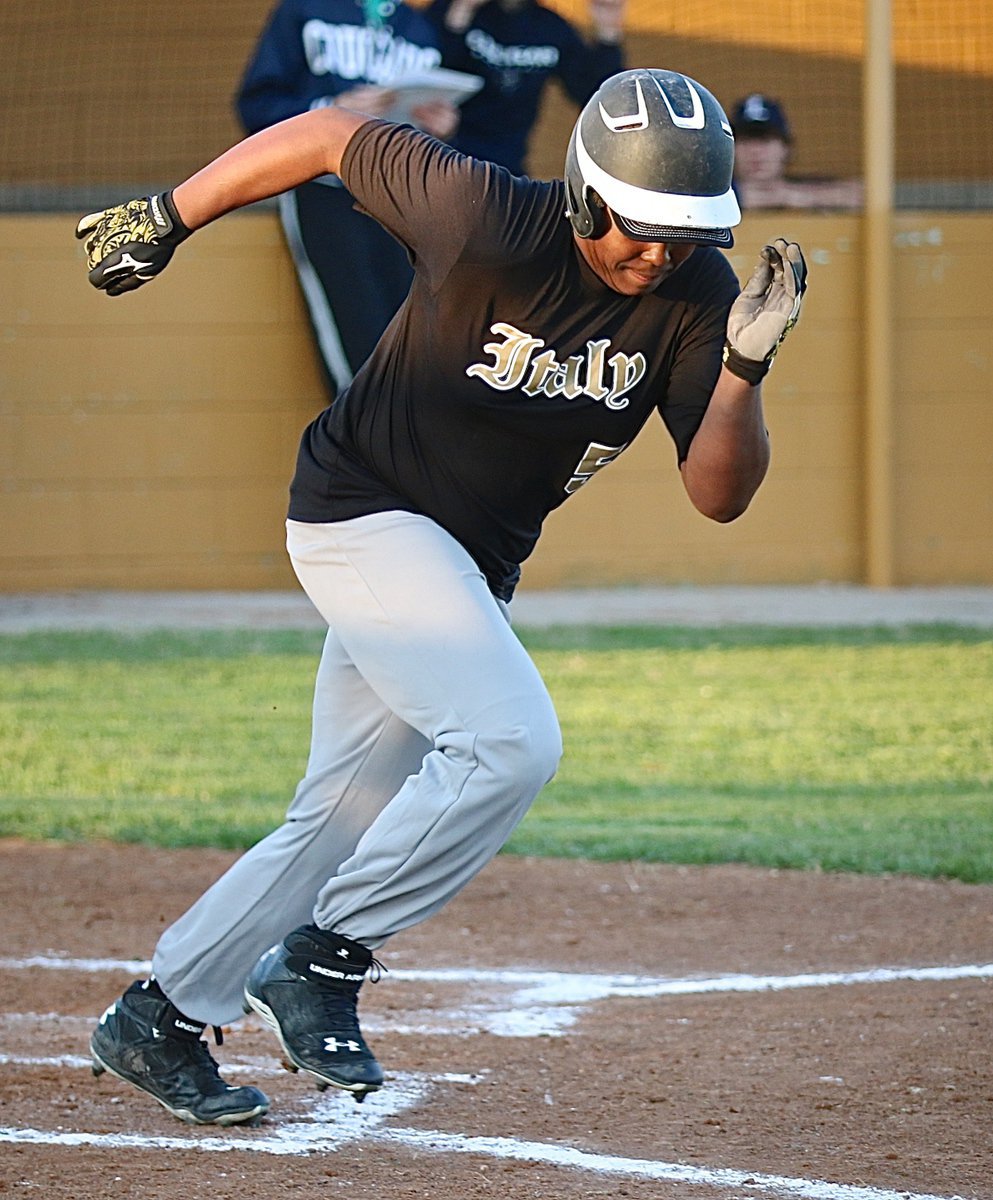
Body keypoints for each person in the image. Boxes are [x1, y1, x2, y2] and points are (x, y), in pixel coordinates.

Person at [75, 67, 807, 1126]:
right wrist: (170, 215)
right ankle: (324, 960)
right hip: (361, 510)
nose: (660, 252)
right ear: (586, 194)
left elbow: (718, 496)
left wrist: (743, 368)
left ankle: (161, 1015)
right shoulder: (488, 217)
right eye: (640, 227)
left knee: (338, 817)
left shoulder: (695, 297)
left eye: (684, 233)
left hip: (462, 570)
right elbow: (330, 136)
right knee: (512, 742)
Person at [236, 0, 461, 396]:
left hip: (397, 198)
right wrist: (331, 111)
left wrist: (439, 128)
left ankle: (396, 444)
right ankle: (357, 440)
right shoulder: (304, 12)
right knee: (355, 334)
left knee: (411, 331)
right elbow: (255, 107)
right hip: (323, 190)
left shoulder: (417, 26)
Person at [424, 0, 627, 174]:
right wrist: (460, 11)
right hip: (443, 157)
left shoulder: (550, 29)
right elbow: (423, 71)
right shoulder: (449, 12)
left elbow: (598, 98)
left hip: (506, 172)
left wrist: (608, 30)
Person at [730, 93, 863, 211]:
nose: (755, 151)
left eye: (766, 140)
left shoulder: (800, 187)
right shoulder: (713, 194)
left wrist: (796, 197)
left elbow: (864, 194)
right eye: (745, 141)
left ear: (787, 148)